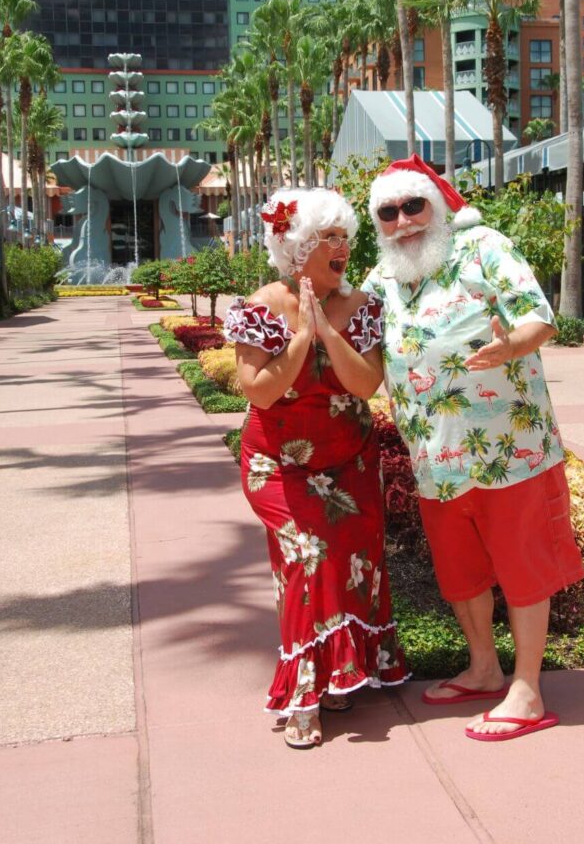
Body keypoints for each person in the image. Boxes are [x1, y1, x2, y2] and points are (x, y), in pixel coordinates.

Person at [362, 154, 584, 743]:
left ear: (436, 207)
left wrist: (510, 348)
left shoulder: (482, 245)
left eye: (415, 206)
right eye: (389, 212)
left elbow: (538, 318)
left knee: (522, 568)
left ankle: (529, 689)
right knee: (460, 572)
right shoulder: (378, 279)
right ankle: (484, 668)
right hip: (435, 459)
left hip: (510, 449)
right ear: (378, 222)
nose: (404, 221)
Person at [224, 188, 408, 750]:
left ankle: (342, 673)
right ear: (297, 248)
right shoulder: (261, 307)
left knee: (354, 555)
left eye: (344, 237)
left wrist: (329, 330)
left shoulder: (363, 306)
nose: (341, 248)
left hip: (350, 458)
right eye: (328, 238)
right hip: (278, 463)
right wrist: (303, 335)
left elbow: (366, 385)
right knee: (308, 557)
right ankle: (304, 693)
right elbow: (258, 389)